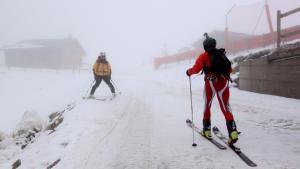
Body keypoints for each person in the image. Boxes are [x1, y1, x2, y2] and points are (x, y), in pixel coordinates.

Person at [186, 33, 238, 144]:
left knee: (207, 105)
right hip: (223, 83)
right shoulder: (222, 54)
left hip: (211, 83)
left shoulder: (203, 56)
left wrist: (188, 72)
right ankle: (233, 132)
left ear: (205, 46)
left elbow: (195, 69)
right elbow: (230, 70)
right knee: (226, 108)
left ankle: (207, 130)